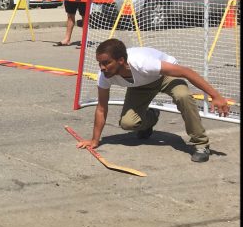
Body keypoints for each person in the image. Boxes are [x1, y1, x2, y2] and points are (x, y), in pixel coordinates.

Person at [76, 38, 231, 163]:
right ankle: (151, 118)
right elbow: (102, 108)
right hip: (139, 85)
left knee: (183, 97)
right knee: (128, 123)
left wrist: (216, 96)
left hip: (164, 77)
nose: (102, 68)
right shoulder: (104, 76)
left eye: (106, 63)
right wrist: (95, 140)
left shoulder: (143, 63)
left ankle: (201, 144)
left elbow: (186, 72)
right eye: (100, 63)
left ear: (121, 60)